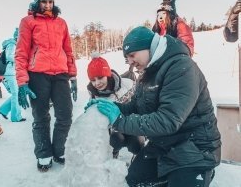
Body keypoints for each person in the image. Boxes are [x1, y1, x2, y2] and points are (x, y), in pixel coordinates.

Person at [87, 27, 221, 187]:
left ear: (149, 47)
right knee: (133, 181)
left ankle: (202, 172)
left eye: (132, 55)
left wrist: (119, 121)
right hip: (163, 145)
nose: (129, 61)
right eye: (127, 58)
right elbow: (136, 107)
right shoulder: (147, 73)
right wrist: (109, 108)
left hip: (195, 148)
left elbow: (168, 120)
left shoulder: (181, 67)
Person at [15, 0, 77, 172]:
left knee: (65, 115)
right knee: (41, 117)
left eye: (51, 1)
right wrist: (22, 81)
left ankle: (59, 150)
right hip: (37, 75)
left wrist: (73, 77)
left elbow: (68, 50)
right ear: (37, 2)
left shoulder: (61, 23)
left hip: (60, 74)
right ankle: (44, 154)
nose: (48, 5)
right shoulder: (28, 22)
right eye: (44, 1)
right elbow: (21, 53)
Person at [86, 53, 144, 159]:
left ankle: (137, 157)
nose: (97, 83)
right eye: (93, 80)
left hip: (131, 124)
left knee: (136, 144)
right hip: (113, 129)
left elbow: (138, 106)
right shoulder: (94, 94)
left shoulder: (128, 85)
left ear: (107, 74)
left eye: (100, 77)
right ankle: (112, 153)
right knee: (114, 140)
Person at [0, 28, 25, 122]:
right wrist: (21, 59)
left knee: (16, 94)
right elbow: (10, 56)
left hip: (13, 72)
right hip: (10, 72)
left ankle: (3, 110)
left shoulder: (14, 44)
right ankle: (16, 117)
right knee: (15, 94)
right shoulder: (12, 44)